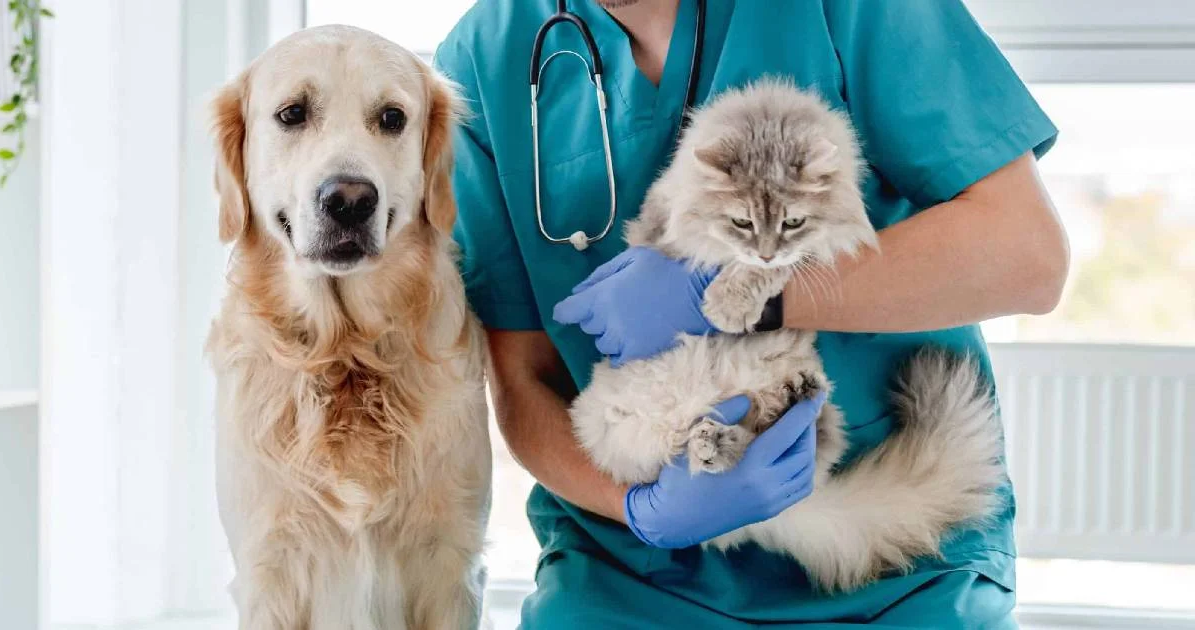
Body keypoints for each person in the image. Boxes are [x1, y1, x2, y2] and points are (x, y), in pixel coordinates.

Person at [434, 0, 1069, 627]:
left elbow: (1028, 256)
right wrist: (642, 509)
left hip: (899, 569)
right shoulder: (486, 55)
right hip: (628, 573)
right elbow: (521, 385)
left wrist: (754, 296)